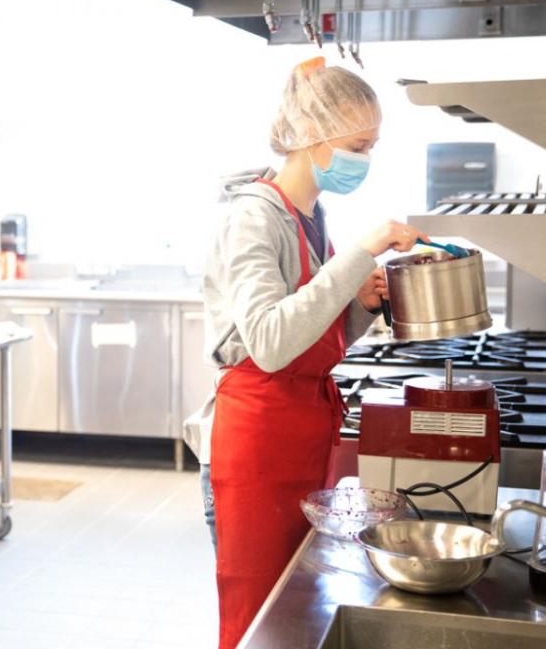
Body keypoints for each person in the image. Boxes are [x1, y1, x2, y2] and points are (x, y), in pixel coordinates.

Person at [201, 57, 430, 649]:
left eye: (372, 145)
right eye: (358, 144)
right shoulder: (253, 215)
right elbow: (272, 344)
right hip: (256, 440)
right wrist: (358, 254)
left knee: (293, 609)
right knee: (258, 614)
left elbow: (312, 335)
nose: (365, 159)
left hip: (299, 432)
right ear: (312, 137)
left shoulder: (309, 216)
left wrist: (361, 306)